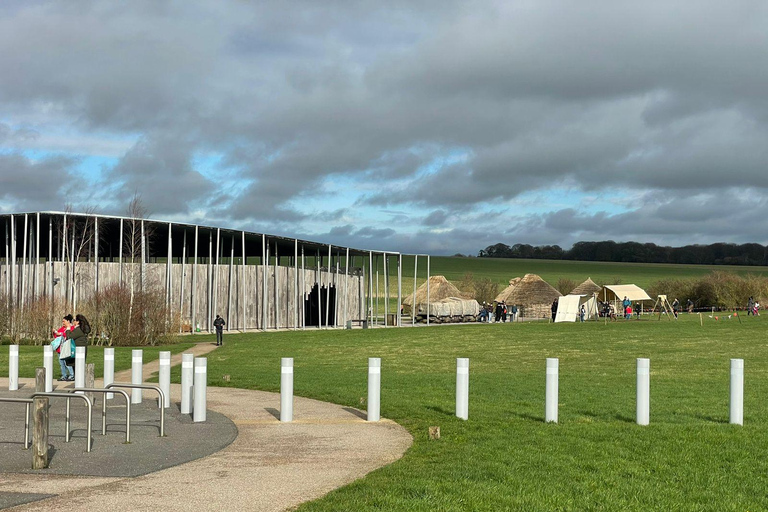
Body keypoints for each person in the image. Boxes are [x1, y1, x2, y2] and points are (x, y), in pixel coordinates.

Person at [65, 313, 91, 379]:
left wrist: (68, 328)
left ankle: (79, 384)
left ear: (78, 321)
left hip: (78, 350)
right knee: (78, 367)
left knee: (77, 368)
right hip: (80, 350)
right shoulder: (81, 329)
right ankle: (79, 383)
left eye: (74, 320)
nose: (73, 322)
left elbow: (69, 337)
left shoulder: (79, 330)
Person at [52, 314, 74, 381]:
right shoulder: (62, 328)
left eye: (64, 321)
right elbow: (56, 336)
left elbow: (68, 335)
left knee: (67, 363)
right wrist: (54, 332)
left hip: (66, 348)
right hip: (60, 349)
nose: (63, 323)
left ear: (68, 321)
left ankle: (72, 375)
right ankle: (64, 375)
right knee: (61, 363)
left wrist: (60, 334)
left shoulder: (71, 328)